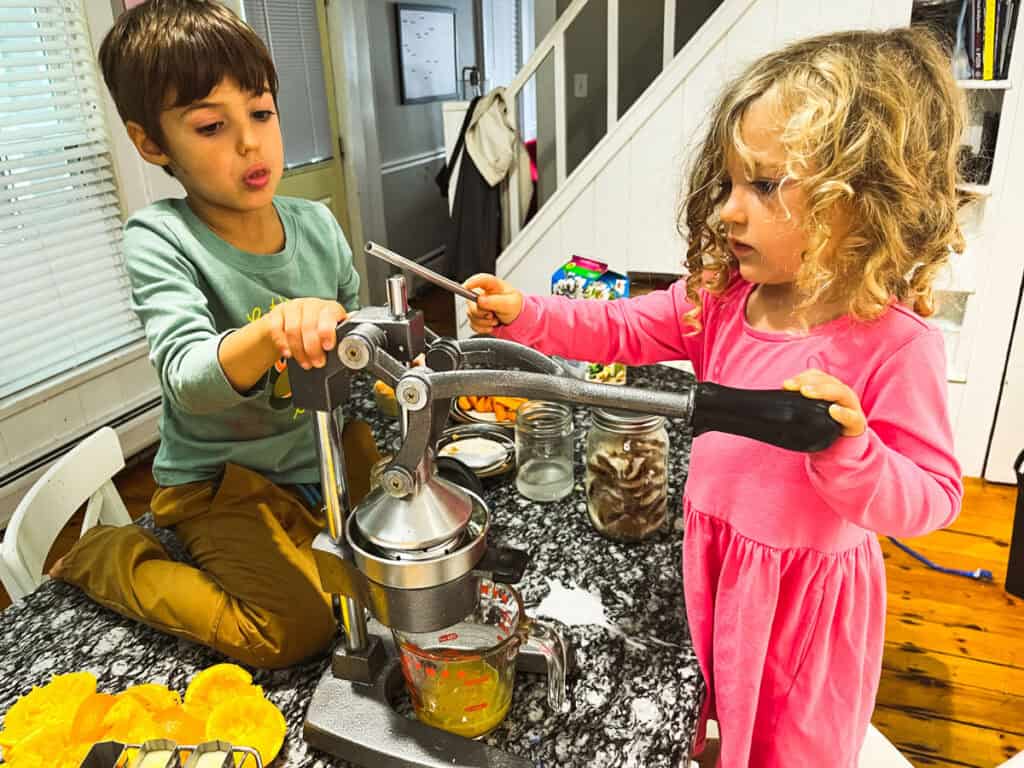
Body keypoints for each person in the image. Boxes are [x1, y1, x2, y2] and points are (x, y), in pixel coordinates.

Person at [465, 28, 964, 767]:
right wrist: (527, 315)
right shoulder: (723, 301)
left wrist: (852, 452)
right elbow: (621, 326)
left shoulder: (894, 343)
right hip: (715, 565)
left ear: (857, 201)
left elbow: (933, 497)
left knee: (791, 749)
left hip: (806, 606)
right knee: (711, 715)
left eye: (762, 185)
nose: (730, 210)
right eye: (727, 184)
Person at [52, 0, 379, 669]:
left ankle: (305, 525)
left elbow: (357, 337)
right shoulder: (161, 237)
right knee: (295, 631)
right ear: (152, 143)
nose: (250, 143)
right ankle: (108, 557)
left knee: (395, 560)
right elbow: (189, 382)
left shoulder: (316, 225)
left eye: (261, 113)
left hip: (313, 457)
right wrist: (276, 331)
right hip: (216, 481)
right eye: (210, 125)